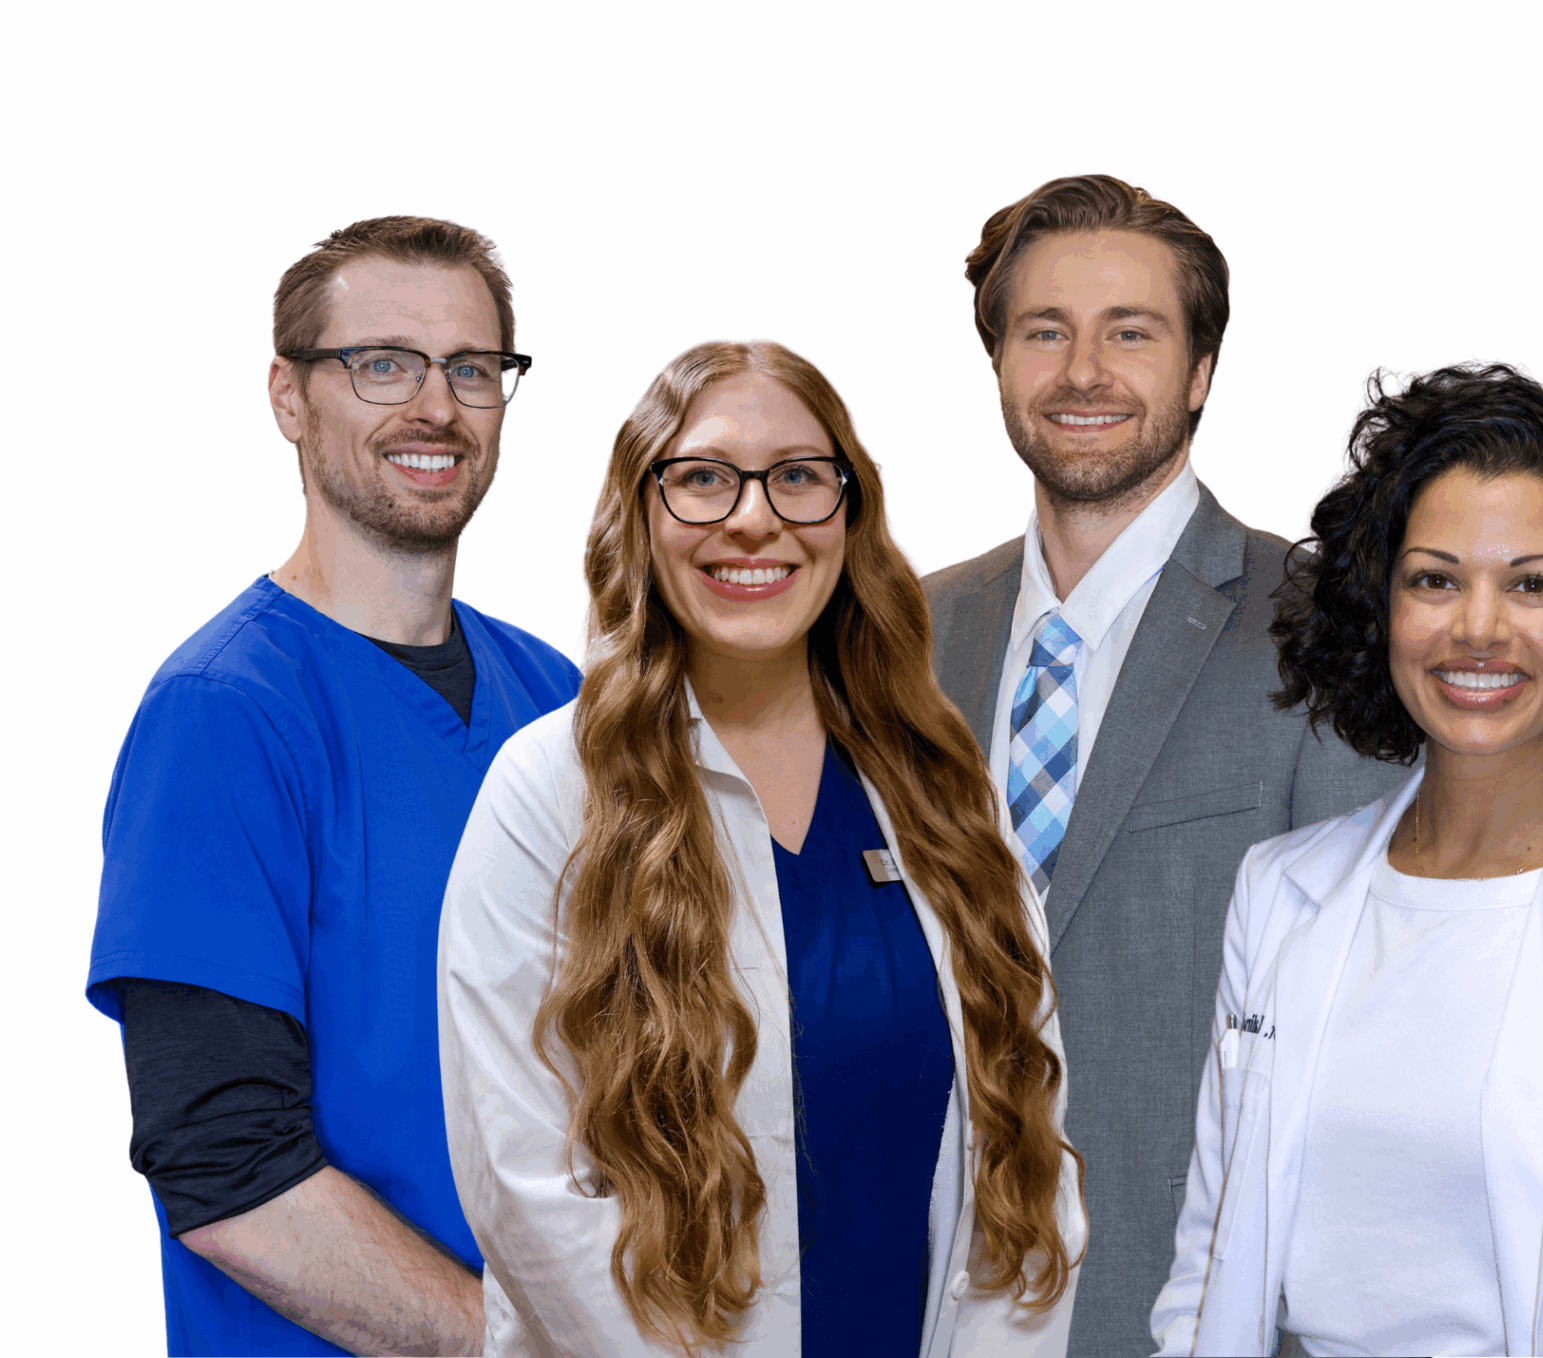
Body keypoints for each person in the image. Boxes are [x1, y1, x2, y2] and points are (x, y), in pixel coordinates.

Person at [438, 340, 1086, 1357]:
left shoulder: (940, 788)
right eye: (700, 478)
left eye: (797, 477)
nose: (753, 516)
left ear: (849, 516)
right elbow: (527, 1190)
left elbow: (1029, 1146)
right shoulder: (548, 792)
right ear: (639, 515)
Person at [1151, 363, 1543, 1357]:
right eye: (1434, 578)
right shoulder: (1280, 892)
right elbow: (1208, 1268)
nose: (1479, 626)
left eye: (1532, 583)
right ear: (1383, 610)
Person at [921, 174, 1404, 1354]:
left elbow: (1371, 1038)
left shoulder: (1322, 631)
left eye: (1129, 332)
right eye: (1045, 332)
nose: (1083, 371)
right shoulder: (905, 634)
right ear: (998, 364)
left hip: (1185, 1314)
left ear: (1199, 371)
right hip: (925, 1299)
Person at [86, 216, 581, 1356]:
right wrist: (506, 1343)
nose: (436, 407)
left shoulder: (557, 696)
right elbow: (224, 1163)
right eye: (382, 363)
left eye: (472, 368)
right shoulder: (225, 712)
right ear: (288, 397)